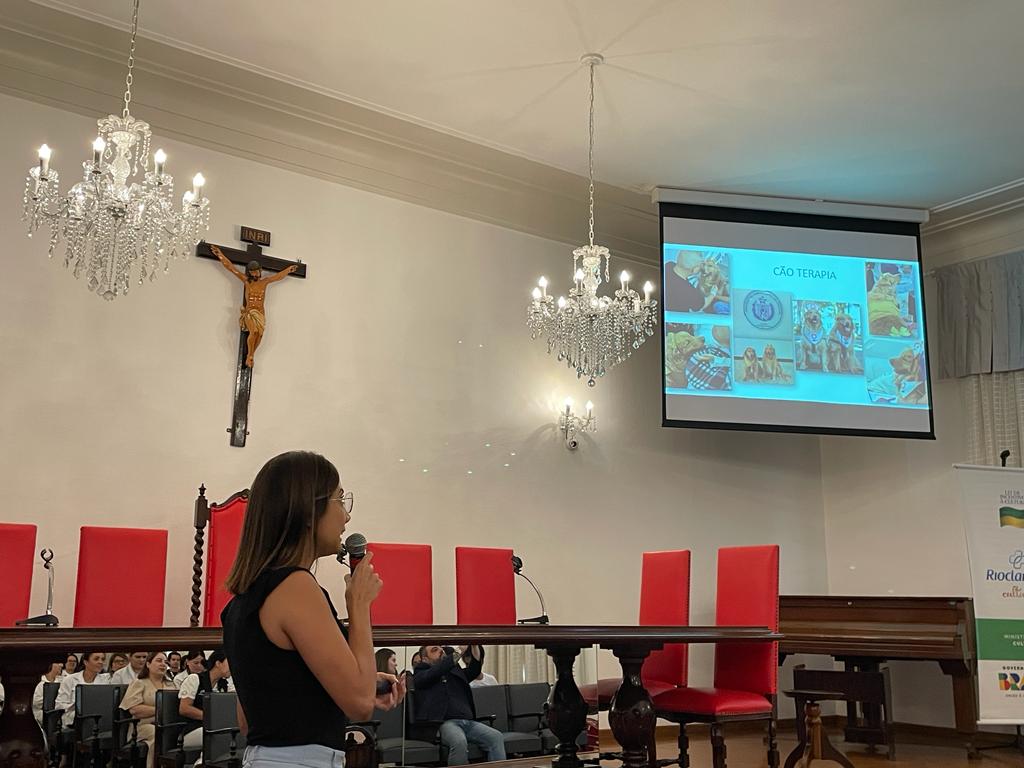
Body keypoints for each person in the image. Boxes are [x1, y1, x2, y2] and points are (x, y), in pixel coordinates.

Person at [221, 450, 405, 768]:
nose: (347, 517)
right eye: (339, 500)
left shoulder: (245, 596)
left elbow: (250, 719)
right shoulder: (295, 586)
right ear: (309, 511)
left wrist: (357, 679)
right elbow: (361, 705)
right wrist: (359, 604)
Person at [413, 644, 505, 765]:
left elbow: (474, 669)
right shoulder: (421, 673)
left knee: (496, 737)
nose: (440, 650)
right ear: (425, 659)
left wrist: (474, 645)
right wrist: (458, 652)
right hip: (445, 723)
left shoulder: (453, 671)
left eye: (440, 648)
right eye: (435, 650)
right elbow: (437, 670)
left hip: (468, 722)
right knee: (459, 741)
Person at [119, 651, 176, 768]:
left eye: (165, 662)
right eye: (159, 661)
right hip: (142, 725)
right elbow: (134, 709)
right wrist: (161, 710)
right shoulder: (139, 683)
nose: (163, 664)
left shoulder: (172, 685)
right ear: (148, 664)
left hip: (167, 725)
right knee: (158, 734)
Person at [178, 650, 234, 751]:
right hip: (194, 728)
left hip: (216, 727)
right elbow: (184, 709)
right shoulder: (194, 679)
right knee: (221, 737)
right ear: (218, 663)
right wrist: (212, 718)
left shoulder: (224, 685)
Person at [55, 651, 109, 726]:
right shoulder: (69, 680)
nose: (100, 662)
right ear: (86, 662)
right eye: (96, 659)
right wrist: (77, 705)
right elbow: (59, 705)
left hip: (98, 720)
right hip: (73, 721)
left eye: (102, 659)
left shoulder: (106, 680)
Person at [32, 660, 65, 726]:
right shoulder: (40, 685)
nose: (61, 665)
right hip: (42, 717)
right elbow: (36, 703)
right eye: (58, 663)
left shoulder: (62, 682)